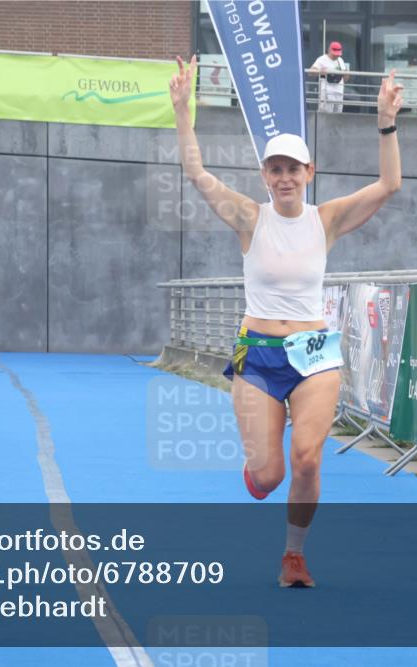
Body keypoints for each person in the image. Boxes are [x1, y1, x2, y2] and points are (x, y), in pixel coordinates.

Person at [170, 55, 402, 587]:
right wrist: (184, 111)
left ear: (308, 173)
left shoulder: (327, 219)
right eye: (275, 169)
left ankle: (293, 556)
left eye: (292, 169)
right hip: (258, 354)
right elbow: (197, 173)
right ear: (265, 176)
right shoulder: (250, 218)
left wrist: (386, 121)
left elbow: (390, 184)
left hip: (314, 354)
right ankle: (257, 469)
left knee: (307, 460)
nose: (283, 178)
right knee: (268, 475)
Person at [311, 41, 351, 113]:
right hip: (327, 91)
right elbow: (311, 72)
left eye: (338, 54)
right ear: (329, 50)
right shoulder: (322, 59)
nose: (336, 56)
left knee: (338, 113)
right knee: (326, 113)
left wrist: (346, 74)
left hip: (339, 92)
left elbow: (345, 79)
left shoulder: (340, 60)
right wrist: (320, 71)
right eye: (334, 54)